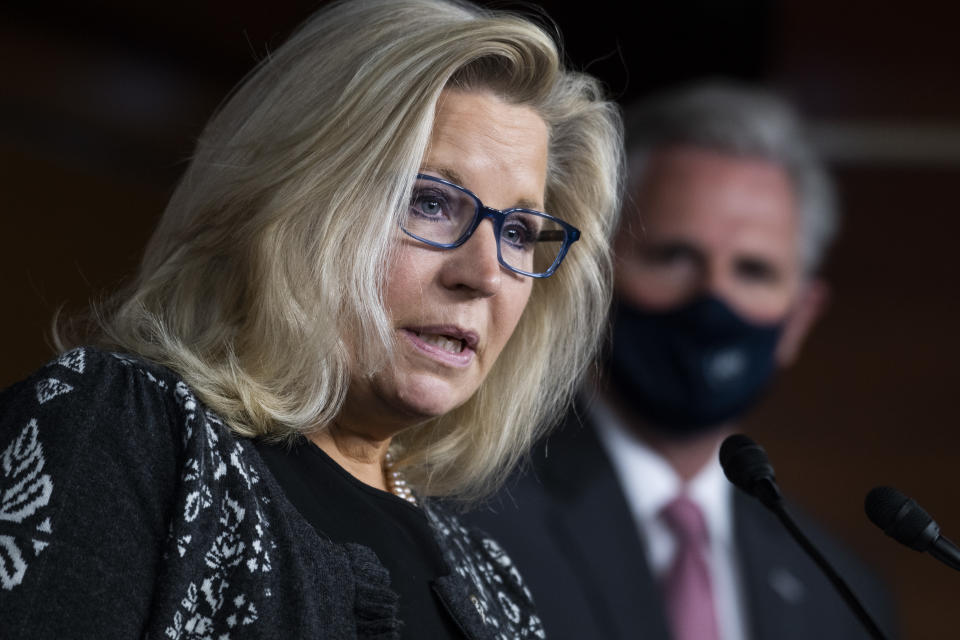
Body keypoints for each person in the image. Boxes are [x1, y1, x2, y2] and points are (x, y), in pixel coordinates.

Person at [0, 1, 623, 637]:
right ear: (295, 204)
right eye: (430, 201)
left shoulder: (491, 579)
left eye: (519, 231)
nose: (485, 274)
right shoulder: (121, 428)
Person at [465, 81, 898, 640]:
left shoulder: (843, 595)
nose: (712, 300)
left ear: (799, 319)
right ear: (597, 271)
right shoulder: (472, 514)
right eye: (673, 256)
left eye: (753, 271)